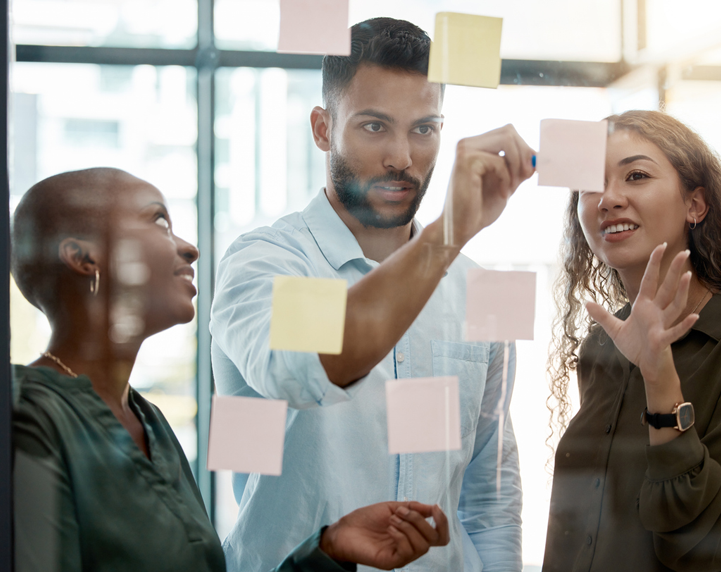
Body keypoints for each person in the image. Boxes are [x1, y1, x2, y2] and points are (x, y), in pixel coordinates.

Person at [210, 18, 534, 571]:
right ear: (322, 128)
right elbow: (305, 366)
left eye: (424, 129)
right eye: (374, 126)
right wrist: (448, 235)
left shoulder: (480, 288)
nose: (402, 157)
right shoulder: (269, 264)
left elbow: (490, 493)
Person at [11, 167, 450, 572]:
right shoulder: (26, 416)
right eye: (159, 222)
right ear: (84, 257)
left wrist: (329, 550)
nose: (189, 247)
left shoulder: (150, 422)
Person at [542, 110, 721, 571]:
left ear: (695, 205)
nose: (608, 199)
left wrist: (661, 381)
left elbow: (710, 547)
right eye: (590, 185)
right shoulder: (603, 344)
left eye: (636, 175)